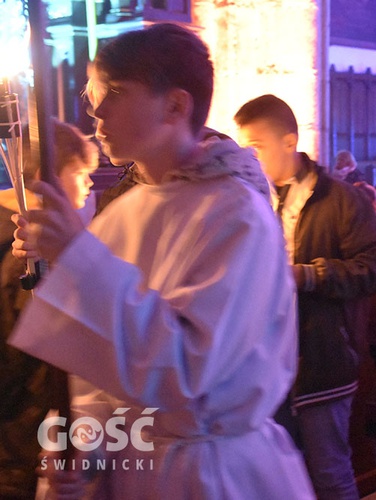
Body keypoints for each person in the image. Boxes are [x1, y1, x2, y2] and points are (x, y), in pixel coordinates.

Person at [10, 23, 313, 499]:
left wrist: (78, 258)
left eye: (115, 92)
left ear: (175, 105)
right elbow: (98, 378)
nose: (96, 110)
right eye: (94, 94)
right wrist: (83, 451)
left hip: (210, 473)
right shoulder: (124, 211)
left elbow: (186, 372)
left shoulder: (237, 214)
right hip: (132, 468)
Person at [234, 94, 376, 500]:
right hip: (265, 362)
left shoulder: (339, 198)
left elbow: (375, 265)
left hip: (322, 358)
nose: (249, 157)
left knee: (329, 474)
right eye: (244, 148)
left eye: (256, 147)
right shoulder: (252, 198)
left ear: (289, 142)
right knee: (275, 478)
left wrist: (308, 275)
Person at [1, 120, 98, 499]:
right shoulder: (28, 255)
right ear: (45, 180)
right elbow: (26, 356)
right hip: (24, 438)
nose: (89, 183)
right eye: (80, 172)